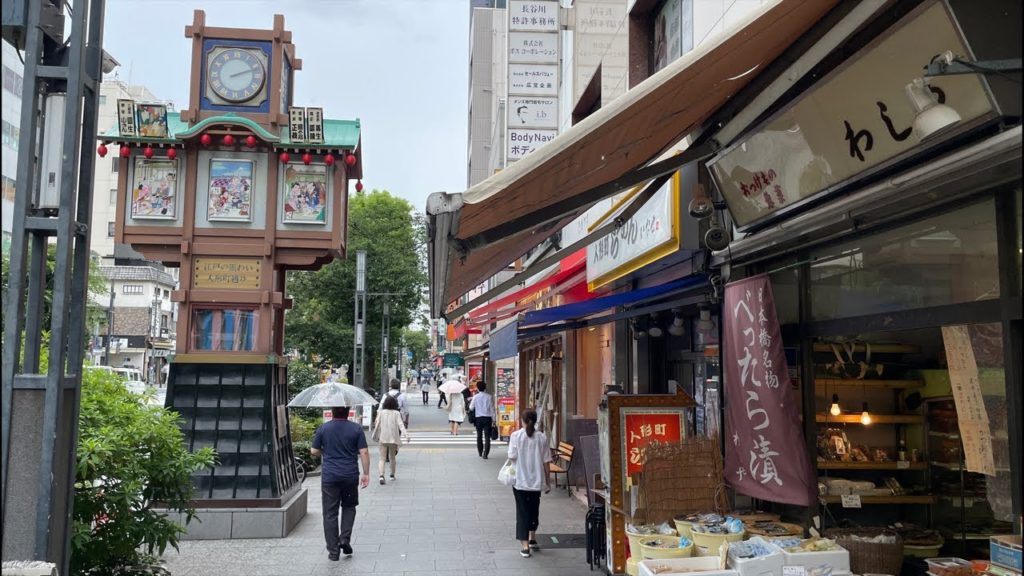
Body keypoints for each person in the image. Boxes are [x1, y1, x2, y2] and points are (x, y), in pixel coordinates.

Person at [311, 406, 370, 560]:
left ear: (332, 411)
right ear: (348, 412)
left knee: (330, 513)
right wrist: (366, 473)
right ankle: (344, 538)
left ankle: (333, 551)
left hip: (330, 477)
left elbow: (314, 451)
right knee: (349, 507)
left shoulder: (324, 428)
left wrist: (326, 451)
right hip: (350, 475)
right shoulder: (356, 429)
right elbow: (363, 452)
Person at [507, 409, 552, 558]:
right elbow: (547, 461)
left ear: (523, 420)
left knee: (522, 512)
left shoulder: (516, 436)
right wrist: (548, 481)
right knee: (534, 509)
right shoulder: (542, 438)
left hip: (520, 481)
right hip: (537, 482)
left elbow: (511, 456)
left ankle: (525, 547)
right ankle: (532, 537)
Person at [371, 394, 409, 484]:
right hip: (393, 438)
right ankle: (392, 475)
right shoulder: (396, 413)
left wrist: (375, 434)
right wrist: (406, 435)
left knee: (382, 458)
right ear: (395, 404)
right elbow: (401, 425)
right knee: (392, 457)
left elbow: (377, 424)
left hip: (383, 438)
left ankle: (381, 476)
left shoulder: (381, 412)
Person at [469, 380, 496, 458]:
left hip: (478, 418)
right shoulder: (489, 397)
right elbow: (492, 409)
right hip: (487, 418)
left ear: (477, 388)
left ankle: (480, 452)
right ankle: (486, 454)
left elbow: (471, 407)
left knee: (479, 435)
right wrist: (494, 420)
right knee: (487, 436)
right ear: (485, 388)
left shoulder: (475, 397)